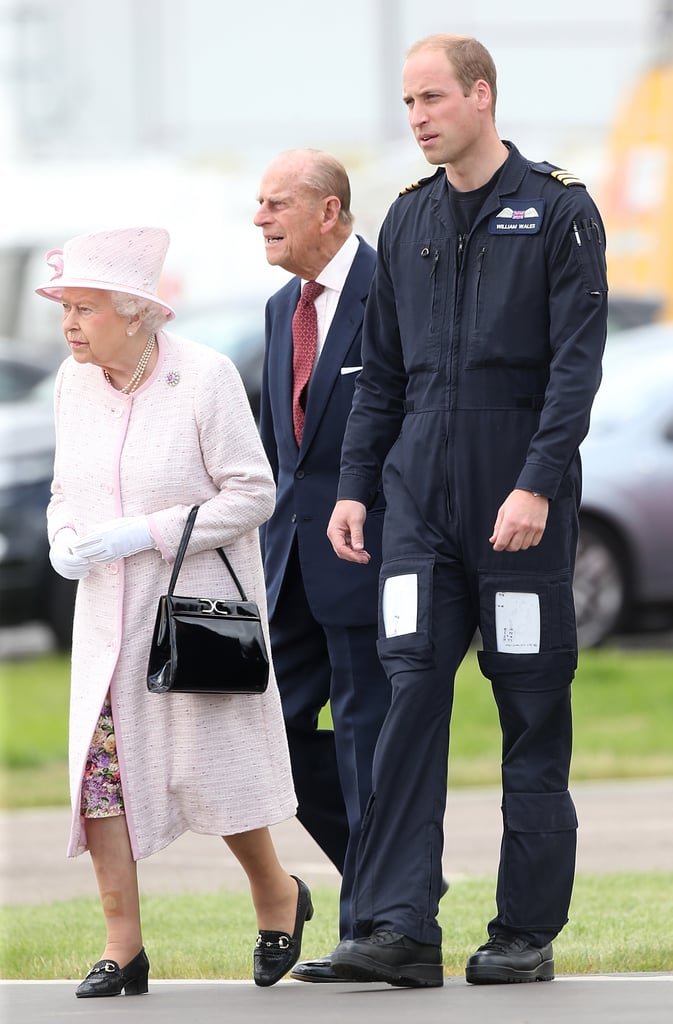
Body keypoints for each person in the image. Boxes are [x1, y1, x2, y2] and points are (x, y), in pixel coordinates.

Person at [326, 34, 608, 988]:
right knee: (408, 697)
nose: (416, 118)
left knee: (530, 707)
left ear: (481, 96)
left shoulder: (559, 209)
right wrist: (355, 487)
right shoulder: (405, 223)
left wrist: (535, 482)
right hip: (417, 509)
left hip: (515, 508)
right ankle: (398, 926)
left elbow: (575, 370)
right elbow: (383, 376)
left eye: (431, 98)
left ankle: (524, 930)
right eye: (407, 103)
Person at [36, 225, 313, 997]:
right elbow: (67, 488)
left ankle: (277, 896)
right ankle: (121, 946)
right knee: (102, 783)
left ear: (135, 312)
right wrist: (63, 537)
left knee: (210, 776)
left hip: (190, 615)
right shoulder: (70, 382)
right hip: (104, 621)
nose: (69, 324)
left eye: (84, 309)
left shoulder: (204, 377)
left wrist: (147, 534)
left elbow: (252, 495)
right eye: (65, 308)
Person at [253, 149, 391, 982]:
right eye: (257, 204)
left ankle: (377, 921)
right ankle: (392, 883)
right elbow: (283, 455)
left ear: (328, 211)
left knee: (367, 744)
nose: (260, 218)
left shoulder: (392, 295)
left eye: (275, 204)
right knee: (271, 736)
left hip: (367, 558)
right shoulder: (280, 308)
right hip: (290, 565)